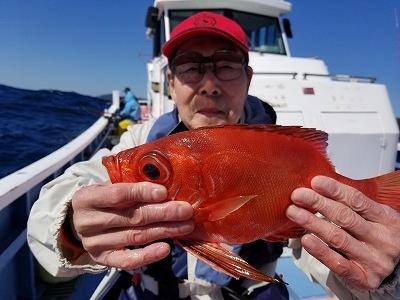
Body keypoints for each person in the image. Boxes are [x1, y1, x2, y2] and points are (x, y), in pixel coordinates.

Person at [27, 12, 400, 299]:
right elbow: (59, 205)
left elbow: (333, 257)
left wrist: (386, 276)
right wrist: (71, 227)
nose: (209, 85)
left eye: (225, 66)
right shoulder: (140, 146)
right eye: (191, 68)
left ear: (248, 78)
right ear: (170, 82)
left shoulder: (278, 151)